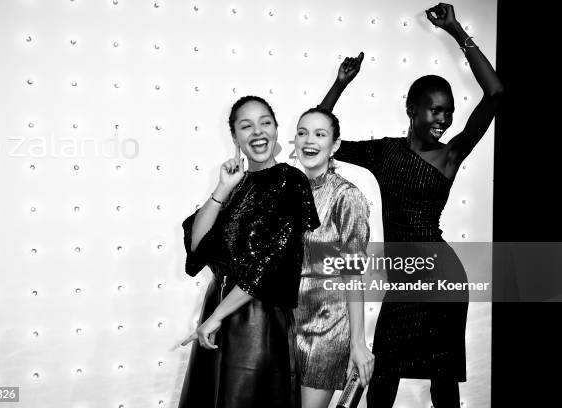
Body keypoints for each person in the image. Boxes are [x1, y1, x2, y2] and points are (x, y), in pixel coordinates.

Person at [318, 3, 503, 407]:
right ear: (412, 109)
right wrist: (339, 84)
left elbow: (496, 93)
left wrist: (456, 30)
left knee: (443, 383)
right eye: (435, 109)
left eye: (449, 112)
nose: (444, 119)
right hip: (404, 280)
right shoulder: (385, 153)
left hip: (442, 278)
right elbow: (321, 137)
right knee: (380, 378)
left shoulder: (449, 156)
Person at [178, 95, 320, 408]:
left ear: (275, 129)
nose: (257, 132)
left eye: (264, 123)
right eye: (246, 126)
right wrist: (222, 189)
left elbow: (268, 266)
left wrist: (215, 318)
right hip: (217, 308)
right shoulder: (235, 183)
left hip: (258, 317)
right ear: (235, 137)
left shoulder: (290, 182)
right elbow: (196, 247)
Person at [292, 101, 375, 408]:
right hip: (286, 325)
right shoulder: (289, 190)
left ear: (335, 144)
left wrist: (357, 342)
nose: (309, 141)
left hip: (326, 328)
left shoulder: (347, 196)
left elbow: (353, 273)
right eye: (302, 133)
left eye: (319, 134)